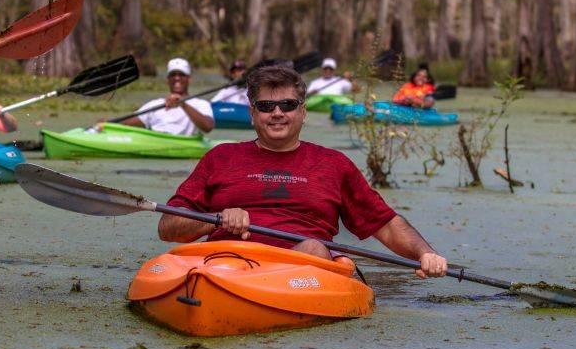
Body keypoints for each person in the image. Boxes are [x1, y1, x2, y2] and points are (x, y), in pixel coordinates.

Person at [157, 64, 448, 278]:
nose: (277, 113)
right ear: (252, 113)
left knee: (312, 248)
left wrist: (424, 253)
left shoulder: (334, 164)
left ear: (303, 112)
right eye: (266, 105)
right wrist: (215, 220)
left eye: (288, 104)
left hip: (302, 273)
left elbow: (384, 224)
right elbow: (168, 228)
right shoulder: (220, 157)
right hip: (226, 267)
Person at [121, 57, 214, 135]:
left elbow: (208, 127)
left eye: (181, 75)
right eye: (173, 75)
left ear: (189, 79)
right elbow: (125, 123)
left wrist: (183, 105)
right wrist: (108, 124)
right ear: (168, 79)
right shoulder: (155, 104)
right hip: (155, 144)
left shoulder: (201, 104)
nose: (177, 78)